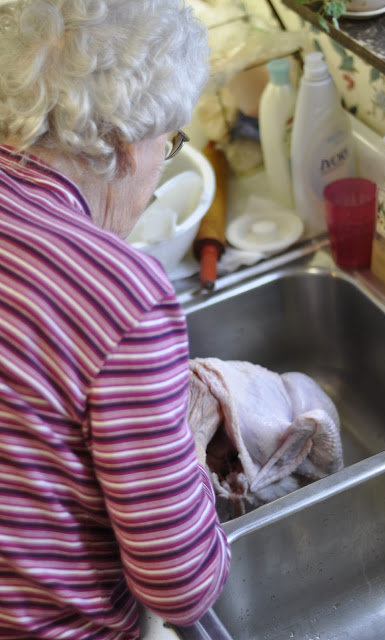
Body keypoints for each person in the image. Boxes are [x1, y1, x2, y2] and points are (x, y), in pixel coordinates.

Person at [0, 0, 231, 638]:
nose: (159, 172)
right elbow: (182, 587)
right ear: (125, 145)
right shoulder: (123, 296)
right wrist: (191, 445)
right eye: (170, 144)